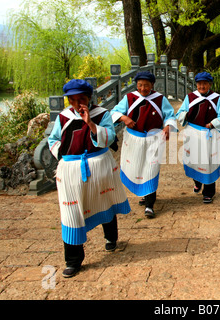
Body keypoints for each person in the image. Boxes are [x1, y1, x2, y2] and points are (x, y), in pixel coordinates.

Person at [48, 79, 131, 278]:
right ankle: (73, 260)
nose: (77, 104)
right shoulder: (63, 117)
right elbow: (53, 140)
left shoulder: (102, 114)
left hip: (99, 165)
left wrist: (91, 125)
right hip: (71, 170)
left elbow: (109, 138)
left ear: (90, 98)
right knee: (71, 212)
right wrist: (64, 152)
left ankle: (111, 237)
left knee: (105, 201)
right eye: (73, 100)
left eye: (82, 99)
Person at [110, 71, 177, 219]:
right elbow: (114, 112)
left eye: (146, 85)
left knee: (151, 169)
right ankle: (143, 193)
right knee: (136, 168)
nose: (142, 88)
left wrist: (167, 127)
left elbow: (170, 115)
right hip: (134, 140)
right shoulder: (129, 98)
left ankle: (149, 204)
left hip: (154, 139)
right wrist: (124, 117)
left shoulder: (160, 99)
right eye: (140, 85)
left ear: (152, 85)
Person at [176, 72, 220, 204]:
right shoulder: (190, 97)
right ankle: (197, 181)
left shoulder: (216, 99)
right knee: (193, 160)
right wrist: (185, 115)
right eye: (199, 84)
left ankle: (208, 192)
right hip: (193, 133)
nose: (202, 86)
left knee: (209, 163)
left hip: (209, 134)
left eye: (205, 83)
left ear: (210, 84)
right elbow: (179, 113)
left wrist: (212, 124)